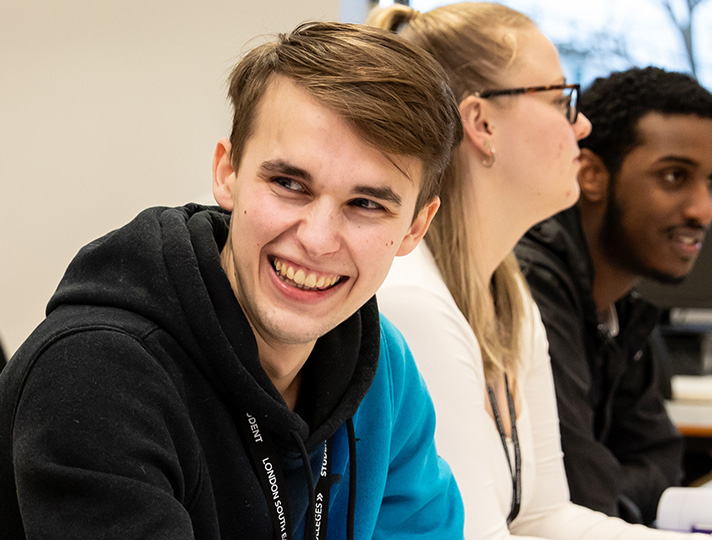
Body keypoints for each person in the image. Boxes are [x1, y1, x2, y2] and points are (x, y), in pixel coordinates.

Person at [0, 22, 466, 540]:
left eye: (366, 204)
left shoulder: (382, 368)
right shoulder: (93, 375)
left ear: (416, 227)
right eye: (289, 184)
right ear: (227, 172)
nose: (317, 239)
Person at [371, 3, 710, 539]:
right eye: (559, 100)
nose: (583, 124)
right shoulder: (414, 302)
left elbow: (544, 517)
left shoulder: (509, 299)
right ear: (481, 123)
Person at [515, 66, 712, 525]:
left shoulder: (620, 306)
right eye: (673, 176)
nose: (702, 210)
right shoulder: (529, 287)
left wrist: (616, 490)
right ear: (592, 175)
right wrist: (620, 491)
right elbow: (581, 494)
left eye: (710, 182)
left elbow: (662, 458)